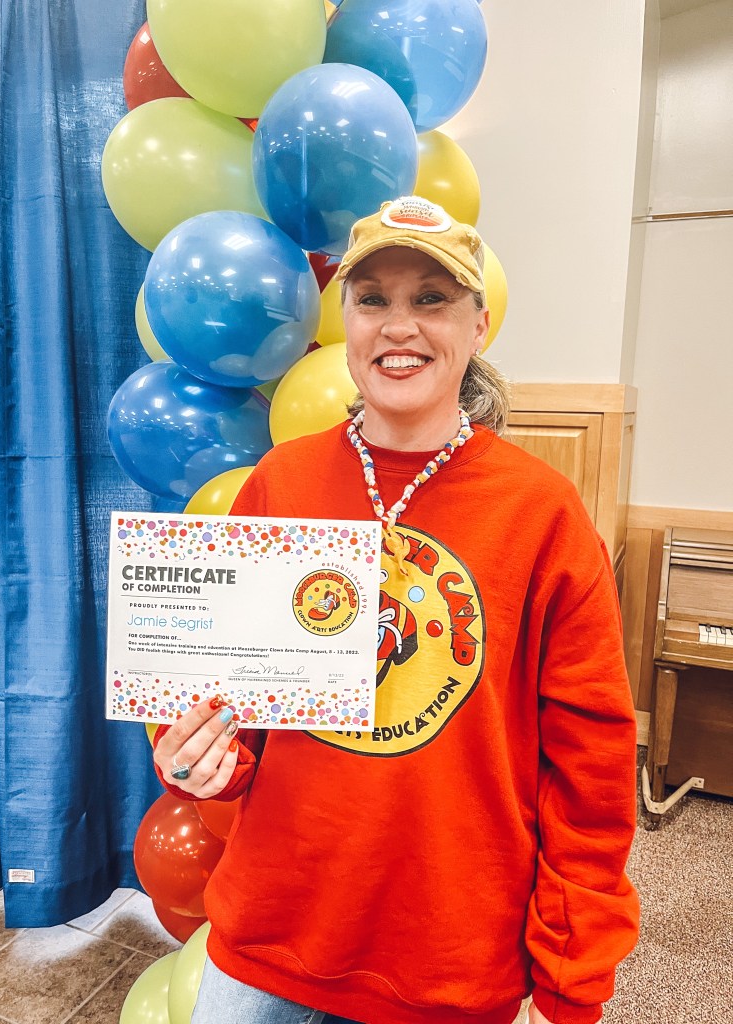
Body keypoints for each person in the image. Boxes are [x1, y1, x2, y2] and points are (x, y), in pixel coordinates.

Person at [152, 195, 640, 1024]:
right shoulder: (282, 483)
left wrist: (572, 973)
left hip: (448, 962)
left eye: (431, 298)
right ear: (346, 321)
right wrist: (203, 757)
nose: (399, 325)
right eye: (373, 298)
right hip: (268, 939)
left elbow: (590, 764)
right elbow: (228, 703)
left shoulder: (543, 513)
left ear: (478, 325)